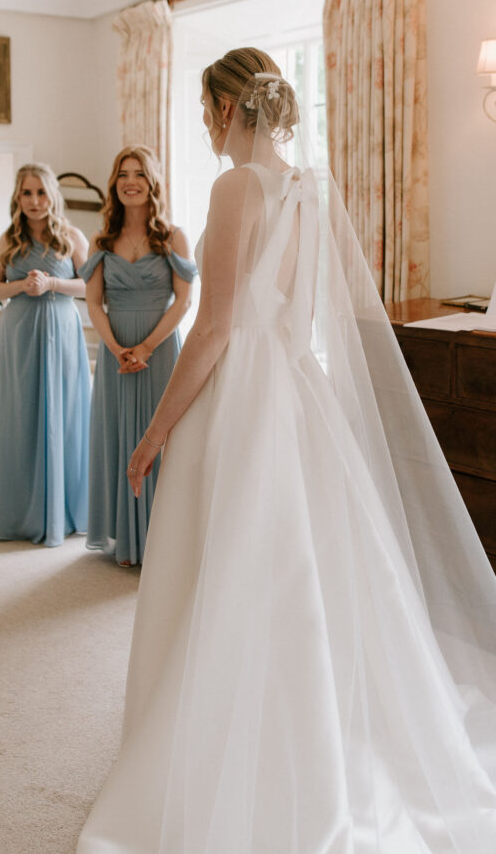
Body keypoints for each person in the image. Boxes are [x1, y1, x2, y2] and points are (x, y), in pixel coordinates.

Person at [77, 50, 496, 852]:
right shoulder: (319, 189)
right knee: (299, 569)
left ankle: (232, 739)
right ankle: (309, 727)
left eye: (206, 109)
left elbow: (216, 326)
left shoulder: (238, 187)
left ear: (231, 108)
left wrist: (157, 428)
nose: (205, 125)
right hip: (298, 391)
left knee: (230, 561)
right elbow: (325, 310)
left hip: (242, 395)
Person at [79, 145, 196, 566]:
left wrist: (145, 347)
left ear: (153, 183)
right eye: (123, 173)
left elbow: (183, 302)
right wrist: (117, 349)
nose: (131, 181)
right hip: (116, 352)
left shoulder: (172, 236)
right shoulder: (101, 239)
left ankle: (161, 539)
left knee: (162, 439)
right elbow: (94, 302)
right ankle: (126, 538)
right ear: (114, 183)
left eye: (140, 174)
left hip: (160, 350)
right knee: (119, 437)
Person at [0, 163, 91, 546]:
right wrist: (20, 287)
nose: (34, 201)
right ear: (18, 197)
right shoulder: (8, 240)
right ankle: (18, 512)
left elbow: (91, 288)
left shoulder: (71, 236)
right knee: (20, 417)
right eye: (27, 193)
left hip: (61, 333)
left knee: (65, 415)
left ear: (52, 195)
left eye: (41, 192)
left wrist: (52, 283)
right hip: (18, 336)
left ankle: (65, 510)